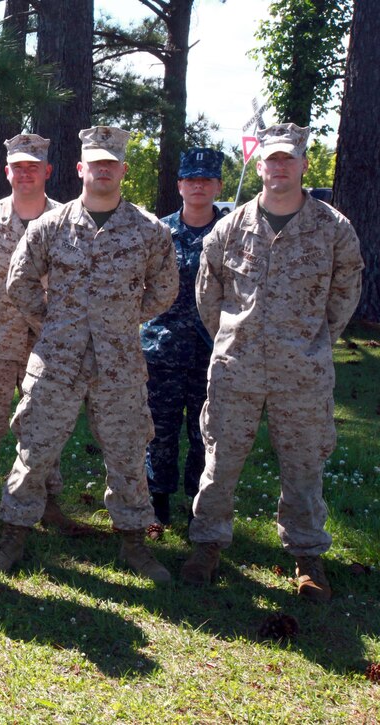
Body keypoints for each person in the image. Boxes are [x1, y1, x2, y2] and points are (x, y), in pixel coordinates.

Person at [0, 126, 177, 583]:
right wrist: (52, 323)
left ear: (123, 170)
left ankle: (134, 541)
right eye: (96, 162)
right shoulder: (50, 225)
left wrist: (123, 319)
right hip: (57, 360)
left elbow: (165, 289)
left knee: (128, 452)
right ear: (80, 168)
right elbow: (20, 282)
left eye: (112, 163)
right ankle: (14, 533)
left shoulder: (149, 231)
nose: (103, 169)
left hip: (120, 364)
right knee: (34, 448)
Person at [181, 123, 363, 602]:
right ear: (259, 166)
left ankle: (307, 557)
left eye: (288, 159)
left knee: (304, 467)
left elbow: (345, 293)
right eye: (271, 159)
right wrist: (232, 334)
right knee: (219, 463)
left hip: (302, 373)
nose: (279, 167)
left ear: (303, 165)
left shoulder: (332, 228)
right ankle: (207, 545)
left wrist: (311, 340)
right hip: (235, 369)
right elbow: (209, 292)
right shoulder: (230, 227)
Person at [0, 133, 84, 536]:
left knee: (45, 423)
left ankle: (46, 498)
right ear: (7, 171)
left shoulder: (69, 221)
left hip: (47, 342)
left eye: (33, 167)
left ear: (47, 171)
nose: (25, 173)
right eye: (18, 167)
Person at [141, 148, 227, 529]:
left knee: (204, 434)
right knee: (159, 431)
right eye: (191, 179)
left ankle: (198, 505)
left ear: (218, 186)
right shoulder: (159, 232)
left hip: (214, 352)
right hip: (163, 350)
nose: (198, 185)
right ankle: (156, 504)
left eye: (206, 180)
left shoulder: (232, 233)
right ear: (179, 185)